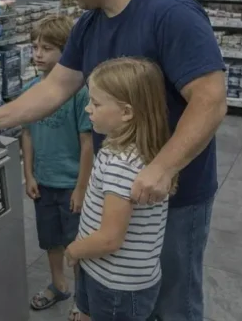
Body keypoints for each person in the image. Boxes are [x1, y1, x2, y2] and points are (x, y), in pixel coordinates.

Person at [0, 0, 227, 321]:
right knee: (125, 293)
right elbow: (54, 88)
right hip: (117, 192)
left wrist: (161, 168)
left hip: (174, 195)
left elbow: (210, 101)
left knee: (173, 303)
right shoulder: (89, 25)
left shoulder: (171, 13)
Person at [65, 57, 174, 321]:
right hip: (109, 276)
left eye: (96, 103)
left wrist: (74, 250)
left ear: (126, 112)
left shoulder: (123, 164)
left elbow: (110, 239)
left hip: (115, 286)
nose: (88, 109)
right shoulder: (137, 151)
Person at [23, 15, 93, 319]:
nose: (38, 54)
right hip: (43, 181)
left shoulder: (79, 92)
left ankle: (83, 298)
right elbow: (26, 132)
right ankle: (58, 284)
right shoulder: (30, 87)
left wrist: (81, 187)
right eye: (35, 46)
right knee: (50, 239)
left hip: (70, 183)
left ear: (66, 51)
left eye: (47, 48)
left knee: (77, 245)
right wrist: (28, 173)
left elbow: (87, 143)